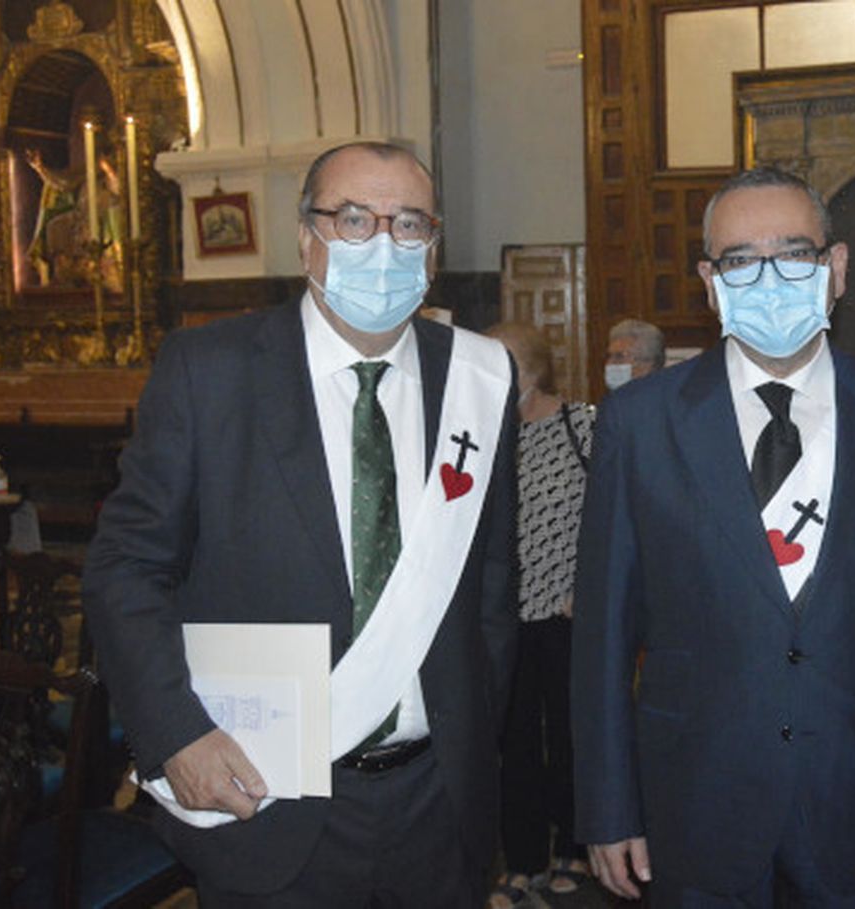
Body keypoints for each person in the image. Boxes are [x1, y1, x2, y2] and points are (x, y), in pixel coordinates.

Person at [83, 141, 519, 907]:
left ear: (434, 247)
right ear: (304, 238)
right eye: (353, 219)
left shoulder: (478, 378)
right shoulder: (208, 370)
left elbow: (491, 585)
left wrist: (473, 739)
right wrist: (174, 731)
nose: (383, 244)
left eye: (409, 224)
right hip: (266, 796)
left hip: (439, 803)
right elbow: (125, 567)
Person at [572, 166, 855, 906]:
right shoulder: (642, 423)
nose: (769, 278)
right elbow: (605, 631)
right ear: (710, 282)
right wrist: (609, 804)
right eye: (741, 260)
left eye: (795, 253)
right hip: (695, 798)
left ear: (836, 269)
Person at [484, 321, 596, 908]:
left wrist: (592, 587)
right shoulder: (487, 436)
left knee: (573, 736)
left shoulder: (584, 425)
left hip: (568, 613)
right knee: (516, 743)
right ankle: (522, 858)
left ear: (528, 370)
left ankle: (573, 849)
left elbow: (615, 515)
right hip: (507, 620)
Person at [604, 317, 666, 389]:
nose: (609, 363)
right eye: (609, 356)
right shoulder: (613, 398)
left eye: (619, 356)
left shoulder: (668, 398)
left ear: (647, 364)